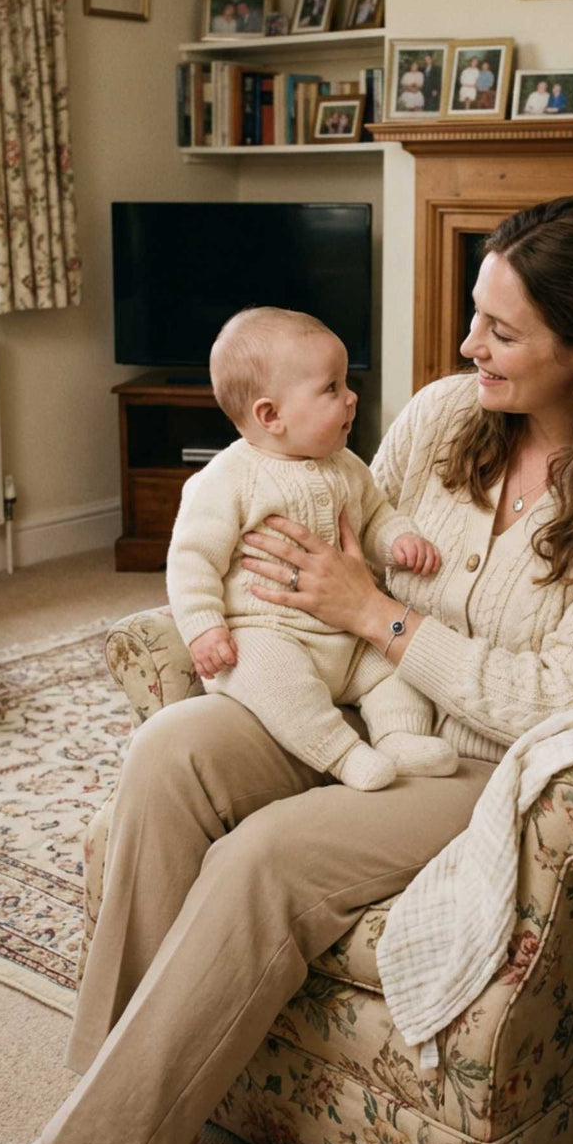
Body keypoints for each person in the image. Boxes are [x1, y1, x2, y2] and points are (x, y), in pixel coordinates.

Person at [29, 195, 573, 1144]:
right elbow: (336, 525)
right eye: (475, 314)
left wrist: (378, 616)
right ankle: (129, 1087)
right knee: (169, 749)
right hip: (338, 694)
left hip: (482, 768)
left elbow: (565, 698)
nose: (467, 342)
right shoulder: (449, 414)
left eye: (499, 329)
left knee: (263, 859)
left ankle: (101, 1140)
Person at [167, 307, 456, 791]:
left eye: (345, 383)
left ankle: (401, 738)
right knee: (276, 682)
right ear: (270, 414)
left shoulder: (347, 466)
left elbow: (376, 515)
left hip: (347, 635)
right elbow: (192, 558)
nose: (351, 397)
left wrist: (398, 539)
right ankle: (344, 756)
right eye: (332, 388)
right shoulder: (226, 480)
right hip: (268, 632)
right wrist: (203, 629)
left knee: (396, 667)